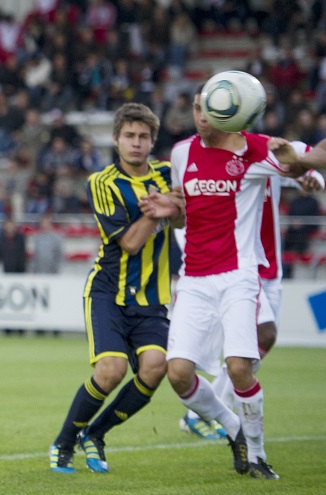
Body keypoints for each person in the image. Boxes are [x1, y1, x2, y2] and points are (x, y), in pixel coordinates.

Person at [144, 89, 314, 480]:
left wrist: (307, 168)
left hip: (239, 276)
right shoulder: (181, 153)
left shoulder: (252, 149)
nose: (202, 115)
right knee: (178, 373)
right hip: (194, 279)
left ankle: (257, 455)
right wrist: (170, 209)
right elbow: (182, 213)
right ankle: (233, 428)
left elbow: (300, 160)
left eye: (210, 108)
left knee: (239, 366)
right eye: (197, 108)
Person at [50, 103, 184, 474]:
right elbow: (129, 243)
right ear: (115, 139)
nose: (136, 143)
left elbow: (184, 217)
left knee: (156, 367)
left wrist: (171, 207)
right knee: (111, 370)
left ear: (153, 140)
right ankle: (64, 442)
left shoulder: (168, 173)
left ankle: (95, 434)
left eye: (143, 137)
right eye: (129, 136)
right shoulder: (102, 182)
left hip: (152, 296)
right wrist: (155, 211)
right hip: (108, 291)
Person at [178, 170, 324, 440]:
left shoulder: (264, 159)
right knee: (261, 337)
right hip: (241, 268)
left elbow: (301, 164)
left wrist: (313, 176)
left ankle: (201, 415)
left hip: (271, 273)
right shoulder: (222, 169)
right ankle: (214, 420)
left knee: (252, 354)